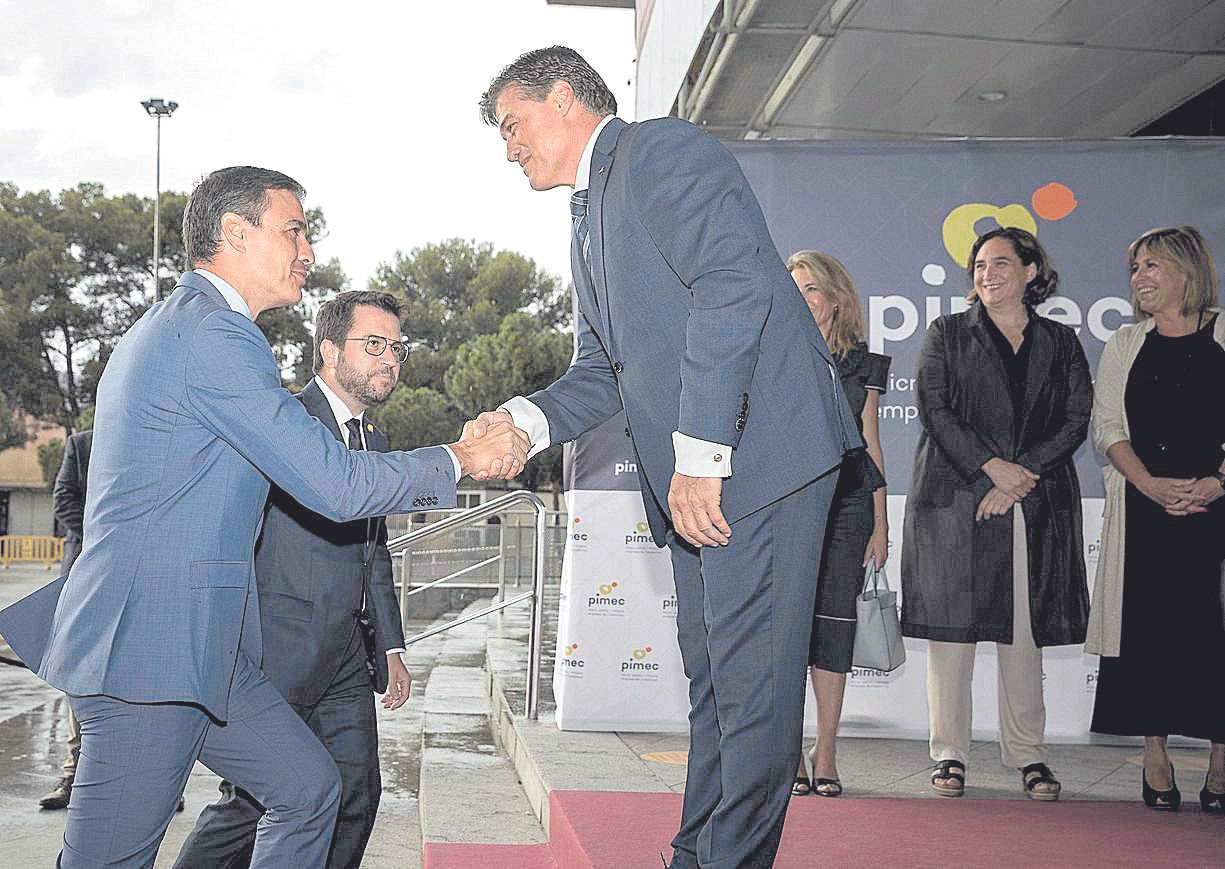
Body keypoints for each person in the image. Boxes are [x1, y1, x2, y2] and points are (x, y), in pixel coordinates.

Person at [0, 166, 525, 867]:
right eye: (294, 230)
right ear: (234, 233)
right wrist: (460, 456)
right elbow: (332, 483)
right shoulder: (215, 336)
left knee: (308, 788)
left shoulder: (180, 326)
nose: (307, 250)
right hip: (150, 654)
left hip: (204, 649)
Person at [474, 47, 859, 868]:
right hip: (711, 470)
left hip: (758, 456)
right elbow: (599, 373)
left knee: (752, 691)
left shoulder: (658, 151)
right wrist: (520, 423)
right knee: (717, 681)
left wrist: (701, 452)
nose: (507, 147)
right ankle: (697, 852)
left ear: (566, 98)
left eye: (512, 124)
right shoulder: (584, 221)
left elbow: (734, 285)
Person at [175, 290, 416, 867]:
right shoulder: (283, 422)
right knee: (252, 804)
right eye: (375, 344)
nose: (390, 359)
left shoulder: (373, 440)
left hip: (347, 660)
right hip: (279, 652)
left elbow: (372, 551)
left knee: (357, 795)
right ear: (329, 352)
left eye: (398, 348)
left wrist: (393, 644)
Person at [901, 227, 1091, 801]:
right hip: (955, 501)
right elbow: (935, 410)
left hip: (1032, 502)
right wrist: (991, 467)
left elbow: (1077, 417)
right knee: (952, 637)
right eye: (979, 265)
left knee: (1022, 632)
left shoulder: (1060, 341)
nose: (987, 273)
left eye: (1001, 263)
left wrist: (1018, 476)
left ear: (1032, 273)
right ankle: (950, 755)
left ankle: (1028, 755)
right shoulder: (946, 334)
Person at [1087, 225, 1225, 814]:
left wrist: (1217, 483)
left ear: (1187, 271)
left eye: (1151, 266)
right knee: (1145, 634)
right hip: (1144, 511)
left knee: (1213, 636)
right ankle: (1154, 754)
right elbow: (1108, 426)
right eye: (1135, 267)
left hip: (1216, 508)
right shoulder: (1124, 343)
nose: (1140, 278)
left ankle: (1221, 760)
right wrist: (1149, 485)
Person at [785, 252, 889, 799]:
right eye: (792, 289)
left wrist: (881, 522)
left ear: (833, 298)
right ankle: (788, 750)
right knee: (789, 632)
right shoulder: (774, 354)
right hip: (792, 505)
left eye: (808, 289)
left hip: (849, 505)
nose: (800, 299)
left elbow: (872, 443)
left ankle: (825, 750)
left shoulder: (864, 365)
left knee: (832, 627)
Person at [38, 429, 91, 811]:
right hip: (84, 574)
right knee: (78, 677)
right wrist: (107, 535)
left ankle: (158, 784)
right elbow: (63, 499)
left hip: (140, 575)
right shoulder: (81, 445)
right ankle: (74, 775)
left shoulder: (156, 436)